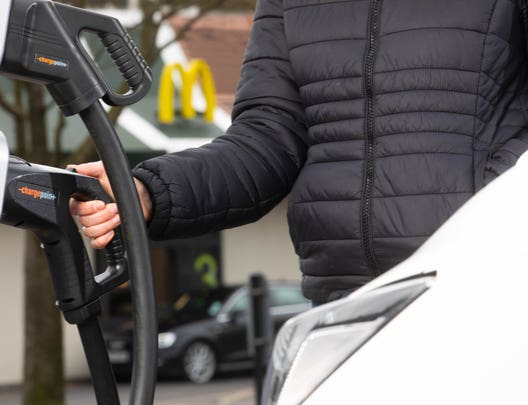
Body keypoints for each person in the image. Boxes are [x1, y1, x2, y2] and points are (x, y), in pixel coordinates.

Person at [70, 0, 528, 304]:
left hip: (487, 295)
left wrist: (492, 210)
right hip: (343, 307)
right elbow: (266, 141)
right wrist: (147, 191)